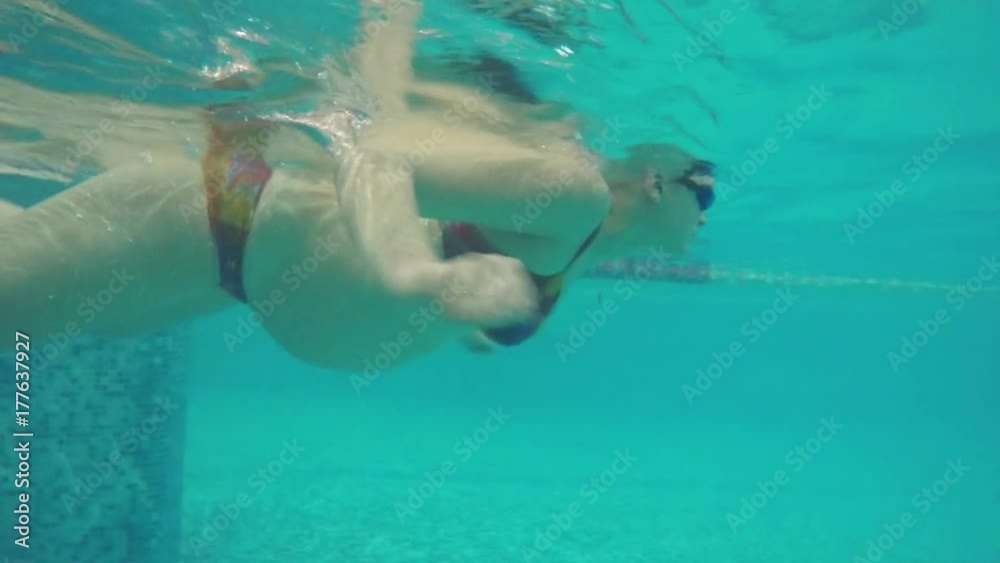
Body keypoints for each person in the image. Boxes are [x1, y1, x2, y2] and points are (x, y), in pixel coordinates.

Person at [0, 1, 714, 372]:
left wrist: (464, 316)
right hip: (241, 219)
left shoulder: (585, 231)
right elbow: (375, 156)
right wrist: (416, 277)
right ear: (658, 181)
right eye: (706, 192)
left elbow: (481, 264)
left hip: (237, 274)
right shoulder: (574, 191)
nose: (708, 217)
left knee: (56, 310)